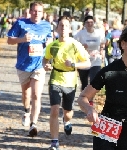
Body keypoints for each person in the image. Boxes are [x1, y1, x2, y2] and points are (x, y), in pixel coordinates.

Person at [77, 24, 127, 150]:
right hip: (107, 124)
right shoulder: (108, 71)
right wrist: (90, 110)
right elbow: (83, 97)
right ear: (123, 44)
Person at [42, 16, 91, 150]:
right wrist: (45, 65)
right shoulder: (52, 45)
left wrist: (74, 64)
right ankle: (54, 141)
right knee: (54, 110)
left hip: (70, 81)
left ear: (70, 29)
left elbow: (88, 63)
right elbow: (45, 59)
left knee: (67, 111)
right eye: (61, 26)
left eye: (66, 26)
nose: (63, 28)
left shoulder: (75, 44)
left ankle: (67, 120)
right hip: (55, 79)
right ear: (57, 28)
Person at [7, 1, 52, 137]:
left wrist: (49, 44)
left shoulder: (47, 25)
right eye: (34, 11)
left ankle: (34, 124)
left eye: (39, 11)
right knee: (26, 95)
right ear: (30, 11)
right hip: (23, 65)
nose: (37, 13)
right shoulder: (21, 23)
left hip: (39, 65)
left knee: (36, 95)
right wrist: (22, 39)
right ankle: (26, 111)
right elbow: (9, 40)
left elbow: (50, 41)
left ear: (43, 13)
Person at [74, 15, 105, 91]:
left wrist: (101, 52)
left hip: (95, 60)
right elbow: (74, 46)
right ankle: (83, 99)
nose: (89, 24)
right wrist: (81, 46)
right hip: (83, 61)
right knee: (84, 83)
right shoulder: (80, 34)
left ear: (94, 23)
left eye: (91, 22)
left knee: (93, 81)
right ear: (84, 24)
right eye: (87, 22)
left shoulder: (99, 33)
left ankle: (90, 100)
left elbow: (102, 44)